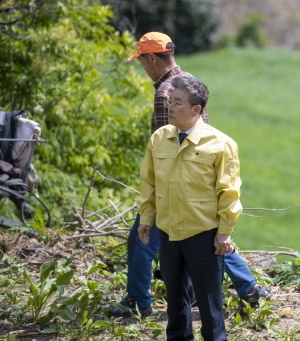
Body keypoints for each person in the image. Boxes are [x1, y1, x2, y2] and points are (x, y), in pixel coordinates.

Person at [109, 32, 269, 319]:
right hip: (197, 182)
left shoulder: (165, 95)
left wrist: (157, 193)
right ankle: (248, 288)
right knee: (207, 238)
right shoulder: (187, 82)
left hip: (174, 184)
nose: (143, 69)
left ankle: (138, 300)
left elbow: (166, 143)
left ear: (152, 58)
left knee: (142, 240)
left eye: (142, 61)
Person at [138, 75, 241, 340]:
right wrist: (146, 219)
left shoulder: (221, 144)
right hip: (169, 232)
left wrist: (225, 232)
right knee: (174, 301)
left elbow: (229, 191)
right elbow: (148, 182)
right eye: (170, 102)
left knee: (209, 303)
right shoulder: (160, 138)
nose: (170, 108)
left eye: (178, 103)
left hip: (203, 235)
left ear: (197, 109)